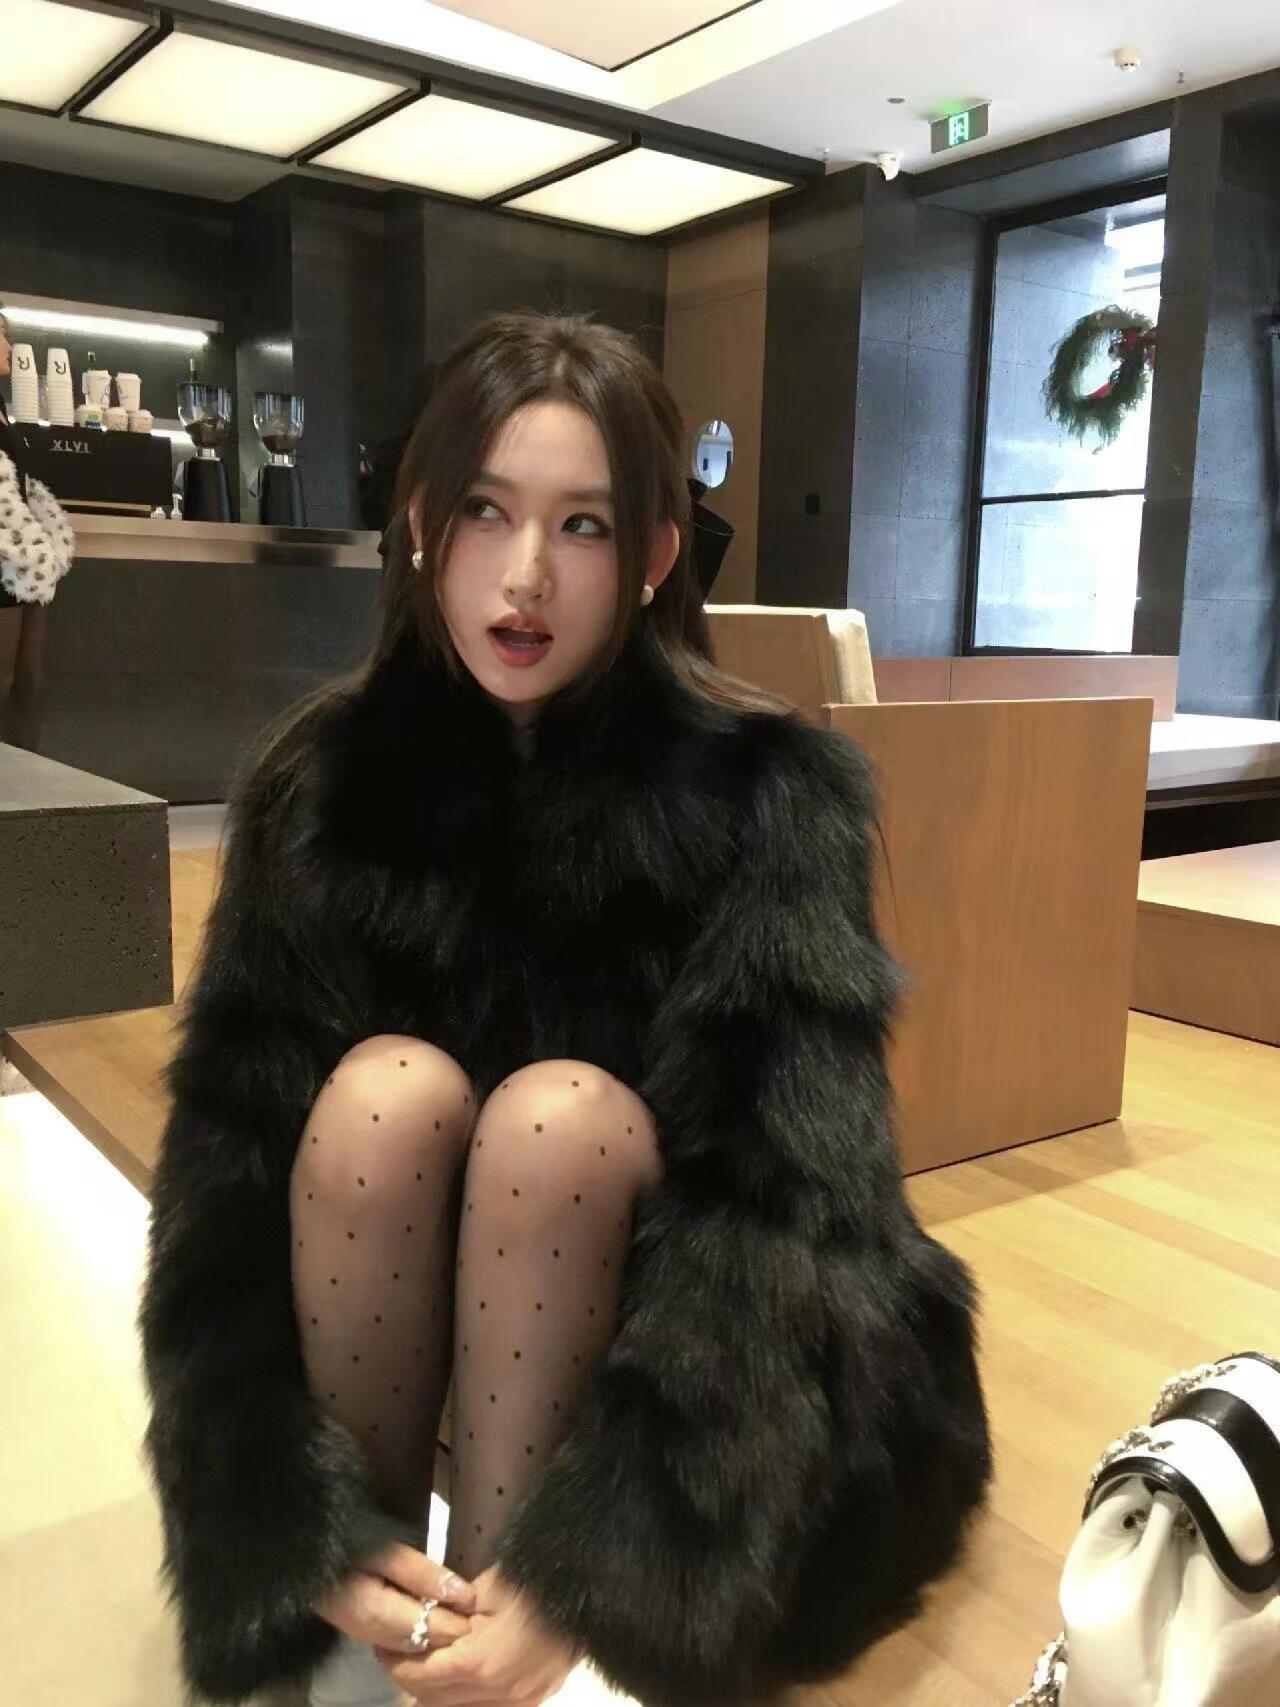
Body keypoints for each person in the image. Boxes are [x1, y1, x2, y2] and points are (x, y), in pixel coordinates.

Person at [139, 309, 992, 1707]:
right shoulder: (321, 785)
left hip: (701, 1391)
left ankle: (503, 1639)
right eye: (486, 510)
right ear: (423, 523)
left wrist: (600, 1561)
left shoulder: (767, 798)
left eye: (582, 526)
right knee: (384, 1096)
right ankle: (362, 1644)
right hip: (415, 1320)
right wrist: (281, 1517)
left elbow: (786, 1215)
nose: (525, 573)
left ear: (652, 556)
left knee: (560, 1124)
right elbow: (222, 1180)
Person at [0, 308, 74, 749]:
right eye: (1, 335)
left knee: (28, 679)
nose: (10, 347)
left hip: (24, 561)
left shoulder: (3, 409)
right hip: (5, 558)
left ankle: (26, 781)